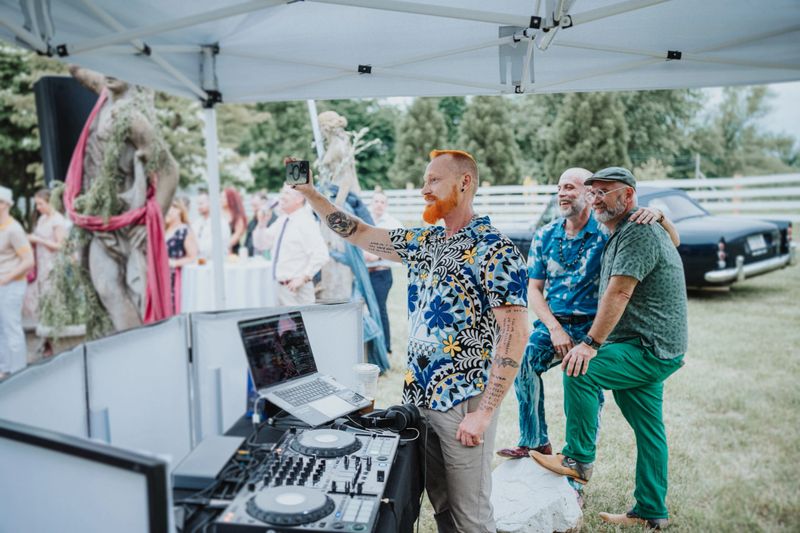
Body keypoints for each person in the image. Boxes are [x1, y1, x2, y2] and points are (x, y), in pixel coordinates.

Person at [292, 150, 530, 533]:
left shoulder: (495, 250)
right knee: (441, 506)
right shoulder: (426, 241)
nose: (424, 190)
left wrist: (483, 413)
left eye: (434, 180)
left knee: (472, 516)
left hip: (463, 402)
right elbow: (359, 232)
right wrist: (309, 193)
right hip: (419, 399)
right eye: (425, 181)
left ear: (464, 183)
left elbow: (515, 333)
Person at [531, 167, 688, 530]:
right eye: (594, 192)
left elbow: (619, 292)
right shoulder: (625, 228)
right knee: (650, 428)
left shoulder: (638, 231)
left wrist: (589, 344)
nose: (597, 198)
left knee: (579, 369)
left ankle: (578, 460)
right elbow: (674, 242)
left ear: (629, 196)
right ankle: (651, 510)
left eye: (605, 191)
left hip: (648, 347)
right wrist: (663, 217)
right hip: (652, 345)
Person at [497, 168, 679, 463]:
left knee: (584, 379)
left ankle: (579, 469)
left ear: (589, 194)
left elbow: (669, 243)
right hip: (554, 323)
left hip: (595, 327)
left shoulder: (607, 231)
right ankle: (534, 441)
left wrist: (660, 216)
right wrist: (554, 329)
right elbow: (533, 290)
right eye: (559, 188)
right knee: (524, 359)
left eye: (570, 187)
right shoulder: (545, 235)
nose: (562, 193)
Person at [253, 185, 329, 306]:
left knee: (305, 324)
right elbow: (262, 244)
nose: (281, 197)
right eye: (282, 192)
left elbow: (321, 254)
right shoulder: (282, 220)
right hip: (279, 288)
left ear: (299, 199)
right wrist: (262, 224)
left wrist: (303, 278)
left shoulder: (306, 222)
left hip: (296, 290)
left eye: (287, 193)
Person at [0, 185, 35, 378]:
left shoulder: (14, 229)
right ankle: (5, 369)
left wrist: (6, 278)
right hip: (2, 285)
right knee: (1, 329)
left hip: (11, 286)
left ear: (4, 204)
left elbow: (29, 261)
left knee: (11, 328)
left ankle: (19, 373)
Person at [363, 191, 403, 357]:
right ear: (371, 203)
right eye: (376, 201)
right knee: (363, 310)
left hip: (381, 273)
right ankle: (369, 346)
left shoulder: (393, 224)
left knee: (379, 309)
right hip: (364, 274)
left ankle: (385, 347)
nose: (379, 204)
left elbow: (400, 249)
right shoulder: (365, 221)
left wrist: (378, 255)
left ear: (386, 205)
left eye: (382, 202)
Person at [23, 188, 69, 323]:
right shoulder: (42, 219)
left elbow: (61, 246)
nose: (37, 208)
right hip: (39, 264)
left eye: (40, 204)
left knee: (52, 299)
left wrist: (39, 240)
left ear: (50, 203)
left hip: (52, 264)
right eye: (36, 204)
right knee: (35, 298)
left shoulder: (58, 221)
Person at [164, 198, 198, 313]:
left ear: (179, 210)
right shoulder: (164, 229)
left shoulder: (184, 230)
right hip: (162, 277)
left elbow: (193, 257)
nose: (167, 211)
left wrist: (174, 263)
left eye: (171, 208)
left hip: (175, 278)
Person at [193, 190, 231, 261]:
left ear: (211, 203)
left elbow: (214, 246)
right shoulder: (196, 223)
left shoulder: (220, 223)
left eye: (201, 203)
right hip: (199, 262)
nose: (199, 206)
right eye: (197, 204)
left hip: (216, 262)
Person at [222, 187, 247, 255]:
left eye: (224, 197)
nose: (221, 199)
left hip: (233, 251)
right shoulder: (219, 213)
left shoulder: (237, 216)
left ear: (231, 199)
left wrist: (224, 246)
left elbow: (237, 235)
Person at [243, 191, 268, 257]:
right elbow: (246, 245)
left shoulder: (275, 222)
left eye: (256, 205)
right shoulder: (252, 223)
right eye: (252, 205)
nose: (253, 209)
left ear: (264, 203)